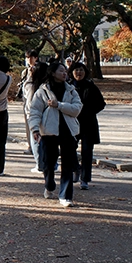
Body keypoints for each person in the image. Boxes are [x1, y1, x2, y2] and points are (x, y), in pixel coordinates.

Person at [28, 61, 83, 207]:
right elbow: (34, 112)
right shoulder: (42, 91)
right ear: (52, 73)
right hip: (49, 131)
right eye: (61, 71)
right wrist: (34, 129)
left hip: (68, 131)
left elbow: (77, 109)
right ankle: (49, 184)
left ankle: (66, 195)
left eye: (65, 71)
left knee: (68, 164)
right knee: (49, 162)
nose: (64, 73)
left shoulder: (71, 90)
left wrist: (59, 105)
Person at [69, 61, 105, 190]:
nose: (79, 73)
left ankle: (85, 179)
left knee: (87, 151)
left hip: (88, 123)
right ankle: (75, 169)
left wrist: (89, 112)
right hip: (72, 122)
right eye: (76, 70)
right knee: (69, 148)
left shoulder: (91, 86)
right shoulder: (68, 86)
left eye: (81, 70)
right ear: (72, 72)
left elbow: (101, 104)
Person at [23, 62, 49, 173]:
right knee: (46, 140)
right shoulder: (49, 85)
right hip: (48, 115)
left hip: (34, 115)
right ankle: (49, 163)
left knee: (36, 140)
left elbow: (29, 102)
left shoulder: (31, 85)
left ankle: (39, 164)